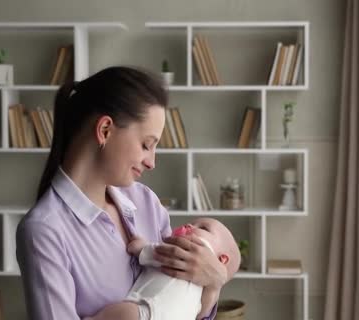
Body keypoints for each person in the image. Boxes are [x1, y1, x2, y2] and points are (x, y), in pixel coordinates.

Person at [16, 66, 227, 320]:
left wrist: (212, 286)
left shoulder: (147, 203)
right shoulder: (45, 231)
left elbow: (179, 302)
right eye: (146, 145)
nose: (152, 162)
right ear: (105, 130)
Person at [85, 217, 241, 320]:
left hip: (151, 311)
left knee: (124, 314)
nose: (190, 225)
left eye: (204, 228)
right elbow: (201, 312)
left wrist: (142, 248)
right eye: (193, 222)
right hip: (160, 313)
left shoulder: (191, 250)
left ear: (222, 259)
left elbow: (160, 253)